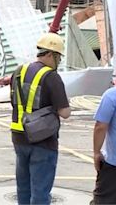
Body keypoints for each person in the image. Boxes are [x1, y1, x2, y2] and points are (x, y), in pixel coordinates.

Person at [10, 32, 71, 205]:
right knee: (40, 192)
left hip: (19, 136)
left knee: (23, 188)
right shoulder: (51, 77)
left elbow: (14, 102)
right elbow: (64, 113)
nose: (58, 62)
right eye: (58, 57)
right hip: (43, 140)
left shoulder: (19, 71)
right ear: (51, 54)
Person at [91, 84, 116, 204]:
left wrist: (96, 153)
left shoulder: (112, 95)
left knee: (103, 201)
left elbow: (100, 127)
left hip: (114, 165)